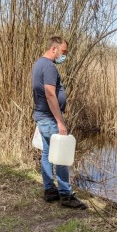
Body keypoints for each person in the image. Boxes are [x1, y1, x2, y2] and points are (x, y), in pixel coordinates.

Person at [31, 36, 87, 210]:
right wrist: (60, 121)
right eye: (63, 52)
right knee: (61, 156)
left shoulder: (38, 64)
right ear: (54, 49)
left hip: (42, 116)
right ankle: (65, 194)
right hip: (49, 118)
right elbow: (49, 94)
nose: (65, 56)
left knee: (48, 153)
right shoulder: (49, 67)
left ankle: (50, 191)